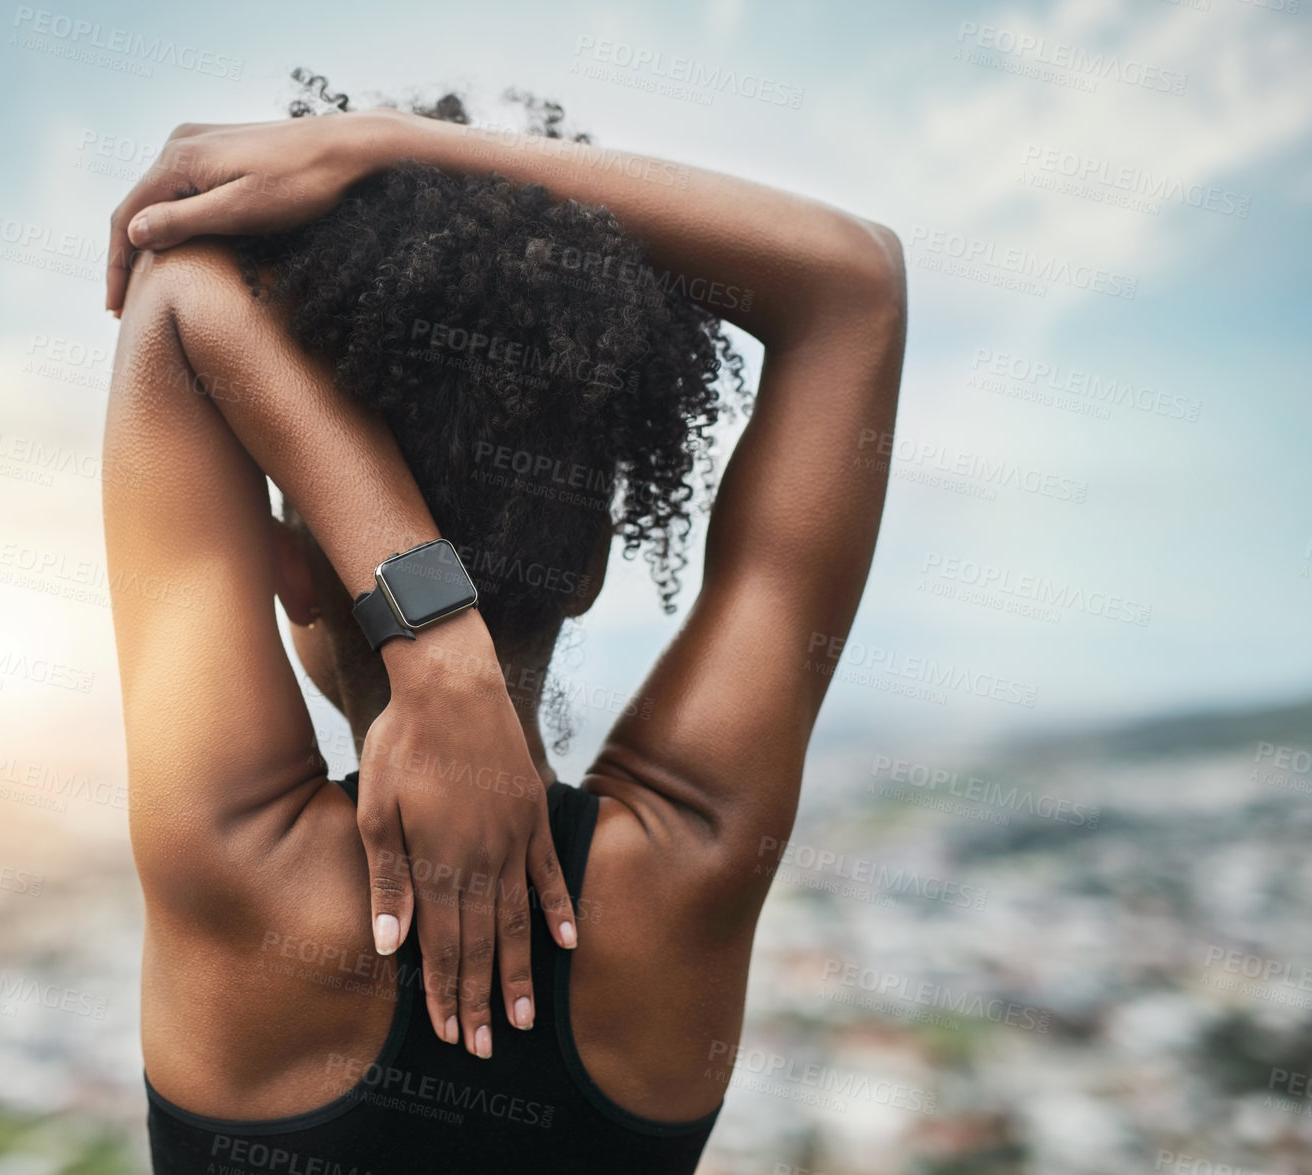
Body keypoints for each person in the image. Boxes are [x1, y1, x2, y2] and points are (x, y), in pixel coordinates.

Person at [101, 75, 905, 1175]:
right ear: (589, 564)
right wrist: (384, 148)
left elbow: (177, 281)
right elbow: (850, 282)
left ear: (287, 569)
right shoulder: (686, 871)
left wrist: (426, 628)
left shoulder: (233, 869)